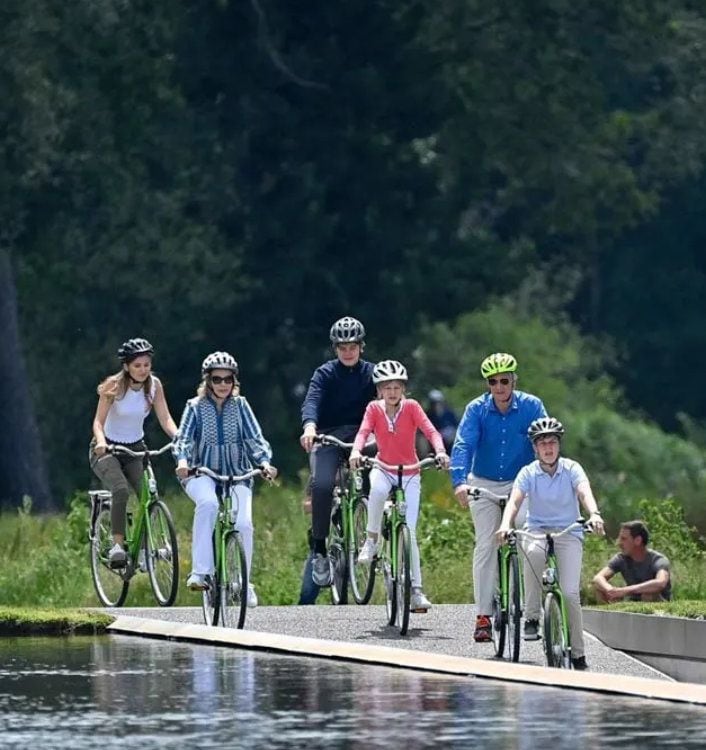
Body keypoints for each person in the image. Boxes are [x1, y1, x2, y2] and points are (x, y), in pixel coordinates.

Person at [450, 352, 547, 643]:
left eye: (505, 380)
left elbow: (545, 441)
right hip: (483, 484)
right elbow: (463, 445)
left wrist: (545, 480)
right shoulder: (476, 409)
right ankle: (483, 615)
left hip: (521, 484)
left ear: (514, 380)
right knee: (486, 544)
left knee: (532, 543)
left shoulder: (532, 406)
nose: (499, 387)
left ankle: (532, 614)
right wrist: (459, 483)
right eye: (493, 382)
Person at [496, 417, 605, 670]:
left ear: (559, 445)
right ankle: (532, 616)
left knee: (569, 594)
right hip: (538, 530)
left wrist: (594, 514)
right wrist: (505, 524)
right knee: (532, 554)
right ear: (535, 448)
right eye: (542, 443)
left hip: (568, 532)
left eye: (552, 442)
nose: (548, 447)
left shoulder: (571, 468)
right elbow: (514, 501)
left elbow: (584, 490)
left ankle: (578, 654)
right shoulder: (528, 473)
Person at [173, 351, 277, 605]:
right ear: (207, 381)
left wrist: (264, 463)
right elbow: (183, 439)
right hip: (201, 473)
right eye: (217, 379)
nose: (223, 385)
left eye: (228, 379)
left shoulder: (241, 406)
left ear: (234, 381)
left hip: (238, 474)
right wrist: (183, 461)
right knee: (208, 504)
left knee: (244, 524)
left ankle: (243, 583)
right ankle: (201, 572)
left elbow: (255, 438)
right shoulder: (194, 407)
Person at [349, 360, 449, 612]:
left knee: (410, 533)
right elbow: (363, 432)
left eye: (397, 387)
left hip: (410, 473)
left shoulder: (413, 407)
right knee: (379, 491)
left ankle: (416, 591)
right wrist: (356, 452)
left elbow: (432, 432)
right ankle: (371, 540)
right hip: (383, 468)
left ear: (403, 388)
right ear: (379, 390)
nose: (392, 392)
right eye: (387, 387)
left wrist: (440, 452)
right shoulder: (373, 409)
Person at [300, 316, 376, 587]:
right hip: (329, 435)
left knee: (381, 469)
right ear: (335, 349)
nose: (348, 352)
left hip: (363, 435)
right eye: (342, 347)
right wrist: (310, 427)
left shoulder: (372, 373)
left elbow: (388, 400)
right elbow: (312, 401)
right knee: (321, 486)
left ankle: (377, 515)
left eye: (352, 347)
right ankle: (319, 548)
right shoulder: (325, 373)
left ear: (361, 347)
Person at [90, 338, 178, 567]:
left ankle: (144, 550)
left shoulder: (154, 386)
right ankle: (117, 546)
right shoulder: (114, 386)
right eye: (137, 365)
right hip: (108, 447)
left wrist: (179, 438)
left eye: (146, 365)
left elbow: (165, 417)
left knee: (148, 495)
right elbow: (98, 422)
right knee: (120, 489)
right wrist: (101, 442)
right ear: (127, 366)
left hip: (135, 448)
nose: (142, 370)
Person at [593, 521, 672, 602]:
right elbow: (598, 578)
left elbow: (661, 582)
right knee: (600, 588)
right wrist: (611, 590)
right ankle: (609, 613)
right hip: (631, 600)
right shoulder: (621, 558)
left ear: (638, 540)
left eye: (623, 539)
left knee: (648, 595)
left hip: (659, 608)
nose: (619, 543)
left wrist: (625, 591)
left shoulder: (658, 560)